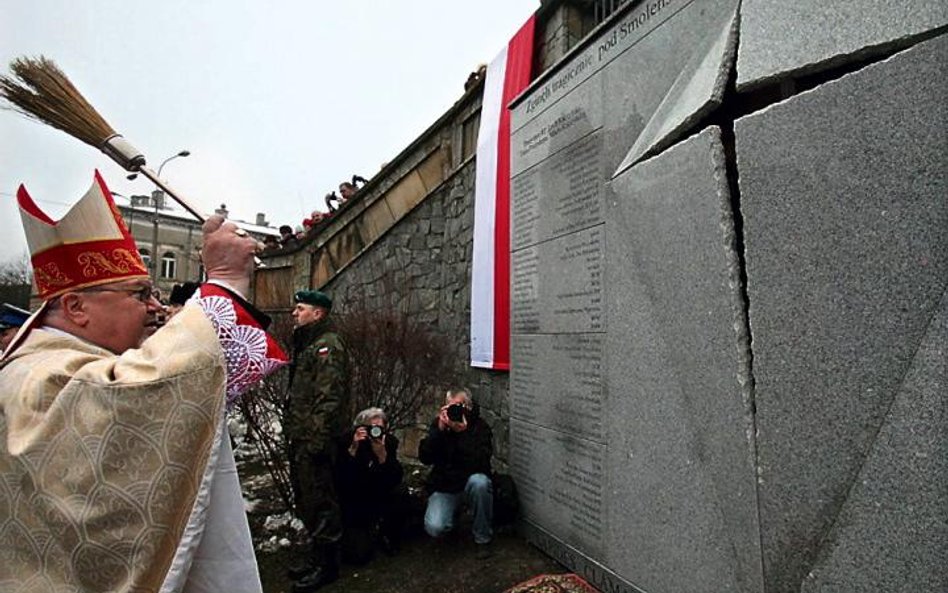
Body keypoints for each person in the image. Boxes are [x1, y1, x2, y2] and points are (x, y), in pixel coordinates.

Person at [0, 171, 287, 592]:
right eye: (139, 294)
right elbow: (140, 394)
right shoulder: (41, 376)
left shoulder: (47, 364)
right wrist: (223, 278)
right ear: (76, 307)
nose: (154, 308)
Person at [284, 289, 350, 592]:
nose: (295, 313)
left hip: (316, 439)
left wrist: (317, 438)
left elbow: (329, 398)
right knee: (308, 499)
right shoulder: (308, 343)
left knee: (321, 500)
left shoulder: (327, 346)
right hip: (302, 436)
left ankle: (327, 566)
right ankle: (316, 557)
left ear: (318, 313)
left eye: (301, 308)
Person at [419, 387, 494, 549]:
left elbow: (481, 461)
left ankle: (483, 538)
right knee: (435, 527)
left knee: (481, 483)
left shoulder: (480, 428)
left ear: (468, 407)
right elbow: (425, 457)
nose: (454, 411)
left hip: (470, 484)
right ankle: (451, 520)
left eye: (458, 406)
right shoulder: (439, 426)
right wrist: (439, 431)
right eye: (450, 406)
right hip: (445, 486)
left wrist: (462, 433)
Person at [334, 407, 405, 564]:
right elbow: (341, 481)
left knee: (400, 493)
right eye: (370, 427)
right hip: (356, 502)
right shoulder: (347, 443)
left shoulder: (388, 443)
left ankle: (387, 531)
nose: (375, 431)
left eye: (379, 428)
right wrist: (352, 450)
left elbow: (395, 478)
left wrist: (382, 456)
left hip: (380, 498)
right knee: (358, 556)